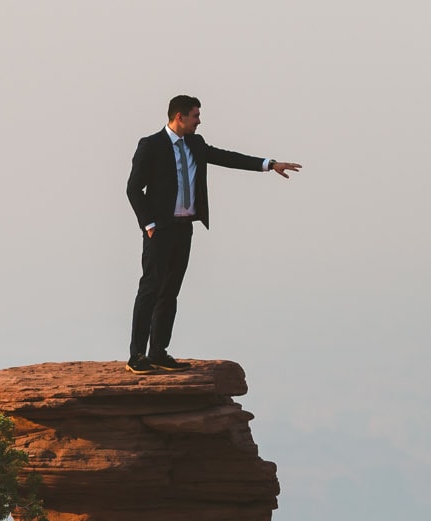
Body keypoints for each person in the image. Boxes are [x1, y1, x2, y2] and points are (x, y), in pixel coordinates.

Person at [124, 94, 301, 374]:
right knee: (150, 289)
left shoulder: (196, 143)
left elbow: (227, 158)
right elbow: (134, 189)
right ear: (179, 117)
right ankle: (137, 355)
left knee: (170, 291)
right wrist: (149, 225)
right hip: (159, 231)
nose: (199, 121)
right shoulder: (152, 145)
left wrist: (269, 164)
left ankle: (158, 351)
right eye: (195, 115)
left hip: (185, 229)